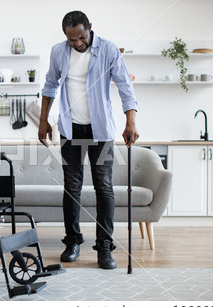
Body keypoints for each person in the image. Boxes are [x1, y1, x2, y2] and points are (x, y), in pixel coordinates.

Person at [38, 11, 139, 269]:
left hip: (101, 131)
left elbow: (125, 87)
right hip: (70, 129)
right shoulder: (59, 52)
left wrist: (131, 122)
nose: (78, 43)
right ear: (65, 37)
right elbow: (50, 85)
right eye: (72, 40)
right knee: (71, 188)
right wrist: (43, 120)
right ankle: (72, 241)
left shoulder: (108, 50)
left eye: (82, 37)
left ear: (90, 28)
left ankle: (104, 247)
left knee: (103, 187)